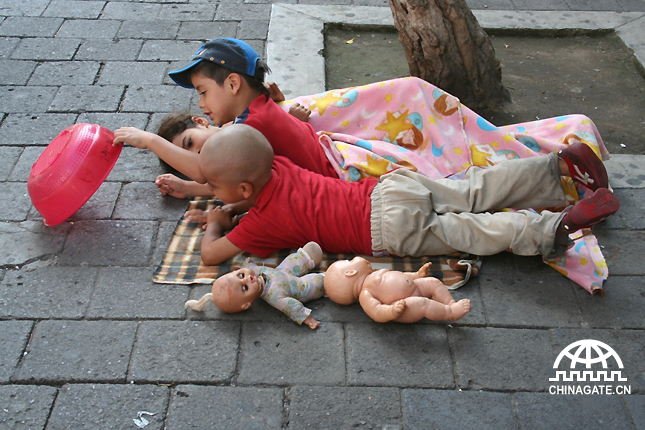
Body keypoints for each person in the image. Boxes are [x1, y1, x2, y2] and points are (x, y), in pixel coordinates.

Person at [195, 124, 619, 268]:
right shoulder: (278, 168)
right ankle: (559, 166)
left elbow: (211, 256)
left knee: (471, 232)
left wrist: (216, 222)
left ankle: (552, 228)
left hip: (386, 229)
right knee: (474, 187)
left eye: (215, 186)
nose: (213, 194)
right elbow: (260, 194)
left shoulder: (261, 225)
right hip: (391, 188)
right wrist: (232, 205)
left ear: (245, 189)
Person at [184, 242, 325, 329]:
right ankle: (329, 279)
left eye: (241, 275)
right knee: (314, 285)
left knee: (294, 259)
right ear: (247, 305)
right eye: (244, 288)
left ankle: (307, 257)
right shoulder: (275, 297)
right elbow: (291, 307)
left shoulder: (255, 272)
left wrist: (249, 264)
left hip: (284, 271)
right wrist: (307, 319)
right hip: (297, 287)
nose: (247, 279)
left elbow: (251, 268)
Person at [324, 259, 471, 323]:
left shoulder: (375, 274)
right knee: (423, 303)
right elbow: (376, 311)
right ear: (350, 272)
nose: (354, 258)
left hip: (414, 286)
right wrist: (392, 311)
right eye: (350, 261)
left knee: (432, 282)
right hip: (405, 306)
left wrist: (416, 275)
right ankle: (450, 312)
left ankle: (450, 303)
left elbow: (399, 276)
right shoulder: (365, 294)